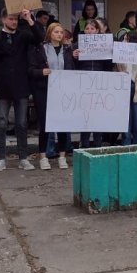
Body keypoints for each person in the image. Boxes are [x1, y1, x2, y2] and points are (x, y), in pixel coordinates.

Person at [0, 8, 43, 171]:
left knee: (22, 123)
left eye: (16, 19)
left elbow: (39, 38)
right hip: (2, 87)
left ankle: (23, 158)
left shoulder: (23, 35)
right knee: (1, 122)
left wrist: (30, 19)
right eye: (11, 19)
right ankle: (1, 159)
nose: (14, 22)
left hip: (21, 86)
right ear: (3, 20)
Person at [29, 22, 76, 170]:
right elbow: (30, 70)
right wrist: (41, 72)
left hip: (62, 91)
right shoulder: (40, 49)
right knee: (45, 124)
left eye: (61, 32)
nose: (59, 35)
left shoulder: (67, 50)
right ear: (49, 33)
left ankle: (62, 156)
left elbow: (72, 69)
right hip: (44, 91)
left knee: (62, 124)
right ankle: (43, 157)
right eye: (56, 32)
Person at [73, 18, 114, 148]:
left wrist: (109, 54)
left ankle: (97, 144)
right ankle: (84, 144)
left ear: (97, 31)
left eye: (92, 28)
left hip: (99, 82)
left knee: (97, 115)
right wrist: (74, 56)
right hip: (83, 82)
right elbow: (71, 66)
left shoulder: (105, 44)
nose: (89, 31)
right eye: (87, 28)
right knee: (85, 114)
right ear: (84, 30)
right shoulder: (76, 45)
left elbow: (109, 66)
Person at [119, 33, 137, 147]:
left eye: (127, 39)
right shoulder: (120, 54)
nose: (124, 41)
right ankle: (126, 146)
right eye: (124, 39)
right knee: (125, 122)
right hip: (125, 88)